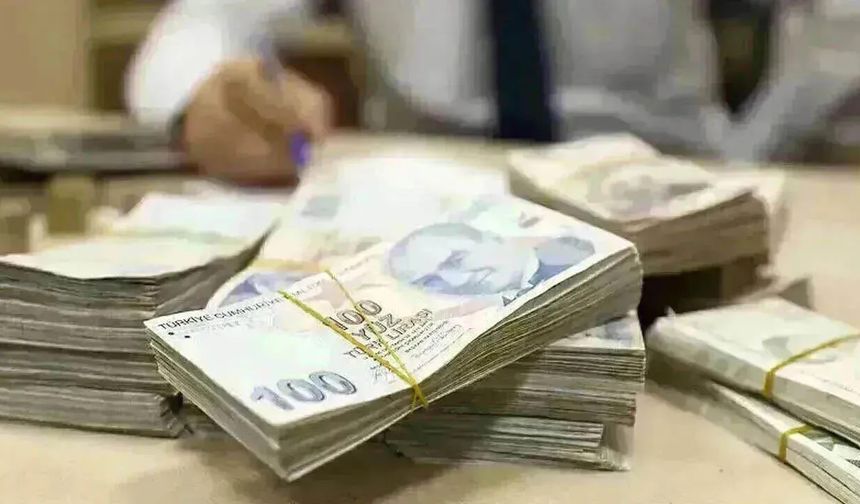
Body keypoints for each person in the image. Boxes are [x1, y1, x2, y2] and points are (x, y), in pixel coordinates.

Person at [127, 0, 727, 185]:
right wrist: (203, 101)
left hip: (668, 173)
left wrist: (757, 145)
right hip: (425, 188)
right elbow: (200, 23)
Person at [386, 221, 595, 298]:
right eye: (431, 281)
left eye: (457, 259)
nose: (456, 281)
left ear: (493, 238)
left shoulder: (573, 253)